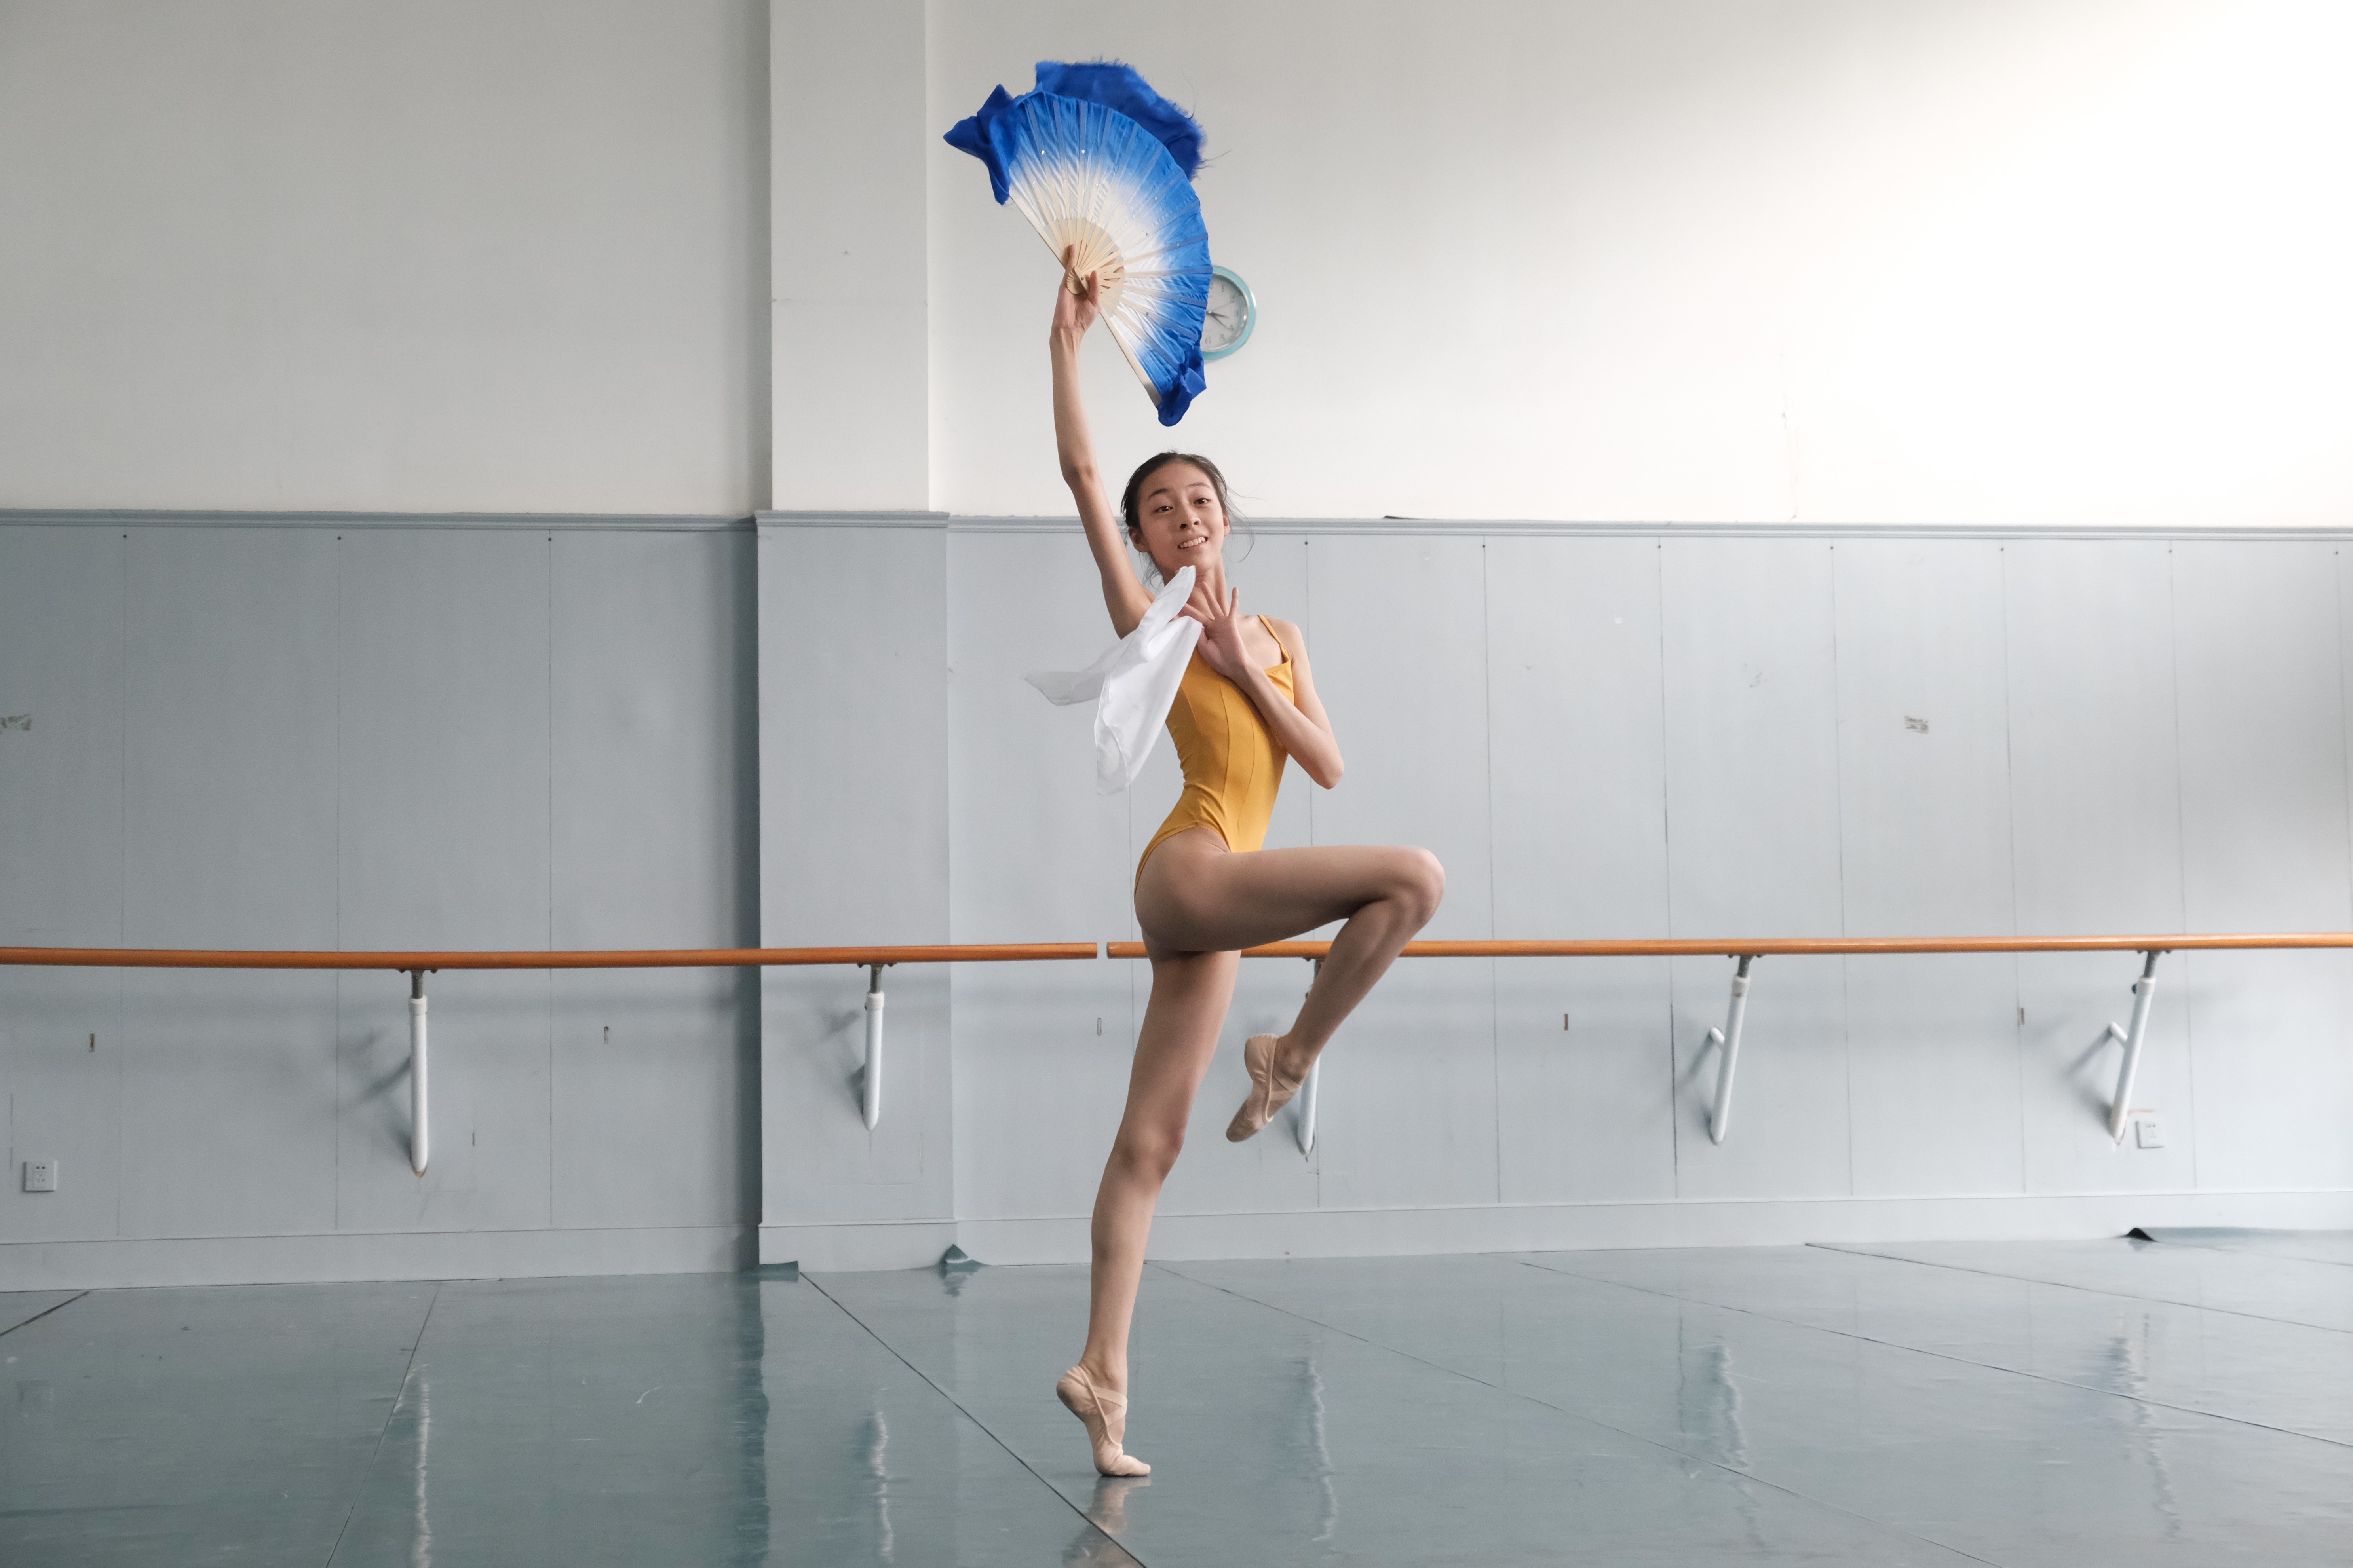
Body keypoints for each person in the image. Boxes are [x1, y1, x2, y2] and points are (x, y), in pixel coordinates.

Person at [1048, 251, 1446, 1476]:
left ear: (1226, 516)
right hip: (1191, 868)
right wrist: (1065, 343)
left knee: (1152, 1143)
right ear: (1143, 536)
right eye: (1161, 509)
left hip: (1221, 901)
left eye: (1199, 502)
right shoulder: (1151, 621)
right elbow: (1080, 473)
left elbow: (1324, 764)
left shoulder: (1274, 633)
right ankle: (1292, 1054)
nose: (1184, 517)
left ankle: (1102, 1375)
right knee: (1415, 878)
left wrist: (1246, 667)